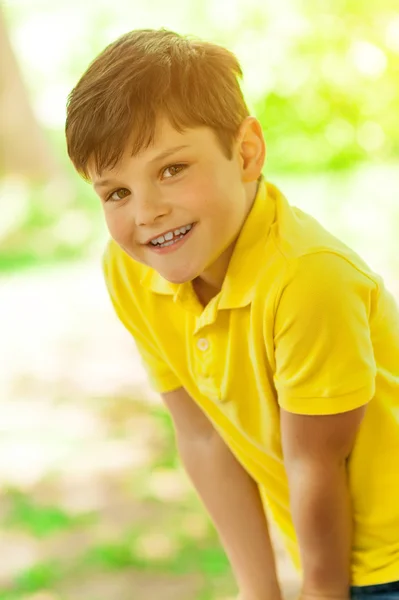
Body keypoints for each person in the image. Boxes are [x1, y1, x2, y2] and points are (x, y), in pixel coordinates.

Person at [65, 29, 399, 600]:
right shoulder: (132, 271)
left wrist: (320, 592)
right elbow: (201, 437)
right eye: (116, 193)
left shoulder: (309, 276)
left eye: (171, 169)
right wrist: (257, 588)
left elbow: (316, 465)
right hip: (332, 550)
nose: (147, 212)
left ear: (246, 152)